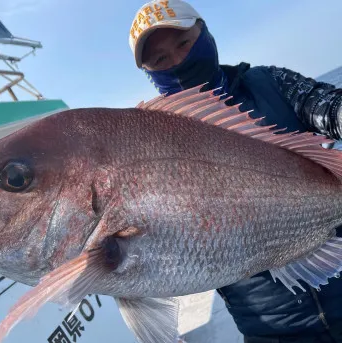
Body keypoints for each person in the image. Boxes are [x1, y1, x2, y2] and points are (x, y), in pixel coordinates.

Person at [128, 1, 342, 342]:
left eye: (183, 44)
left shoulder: (269, 82)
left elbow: (328, 107)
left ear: (205, 32)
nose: (178, 62)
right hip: (270, 331)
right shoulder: (155, 143)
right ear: (149, 73)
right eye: (160, 60)